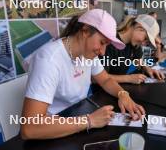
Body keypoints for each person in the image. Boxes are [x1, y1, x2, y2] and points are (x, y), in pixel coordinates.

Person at [21, 9, 145, 139]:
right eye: (102, 42)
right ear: (85, 31)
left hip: (76, 117)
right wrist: (89, 121)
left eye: (106, 45)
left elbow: (105, 79)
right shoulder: (48, 60)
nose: (103, 52)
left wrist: (123, 94)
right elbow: (29, 128)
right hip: (53, 129)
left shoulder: (88, 53)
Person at [101, 14, 165, 84]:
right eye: (145, 39)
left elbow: (138, 60)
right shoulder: (109, 43)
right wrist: (128, 78)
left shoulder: (134, 44)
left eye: (147, 42)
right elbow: (97, 78)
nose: (143, 44)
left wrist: (147, 69)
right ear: (139, 28)